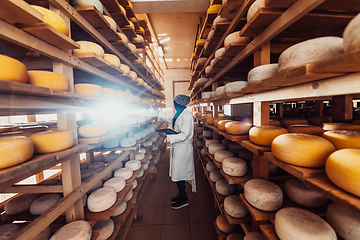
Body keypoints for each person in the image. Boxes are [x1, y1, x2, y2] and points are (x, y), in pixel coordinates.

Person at [156, 94, 196, 209]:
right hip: (178, 147)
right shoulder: (179, 112)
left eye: (175, 103)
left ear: (178, 104)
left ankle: (184, 199)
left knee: (180, 174)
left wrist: (167, 135)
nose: (174, 104)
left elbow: (184, 135)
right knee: (178, 173)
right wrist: (158, 113)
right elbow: (171, 120)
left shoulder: (187, 116)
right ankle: (182, 195)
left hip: (183, 148)